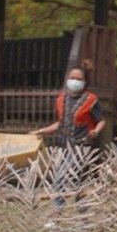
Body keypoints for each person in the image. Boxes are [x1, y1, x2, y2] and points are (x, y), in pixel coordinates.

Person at [31, 63, 105, 210]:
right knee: (74, 179)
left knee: (65, 177)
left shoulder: (91, 100)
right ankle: (70, 213)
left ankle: (68, 212)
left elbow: (101, 121)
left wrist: (96, 131)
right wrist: (41, 131)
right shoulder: (61, 100)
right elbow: (60, 123)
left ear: (84, 81)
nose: (75, 81)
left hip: (82, 146)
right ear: (67, 79)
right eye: (72, 78)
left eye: (78, 79)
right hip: (64, 145)